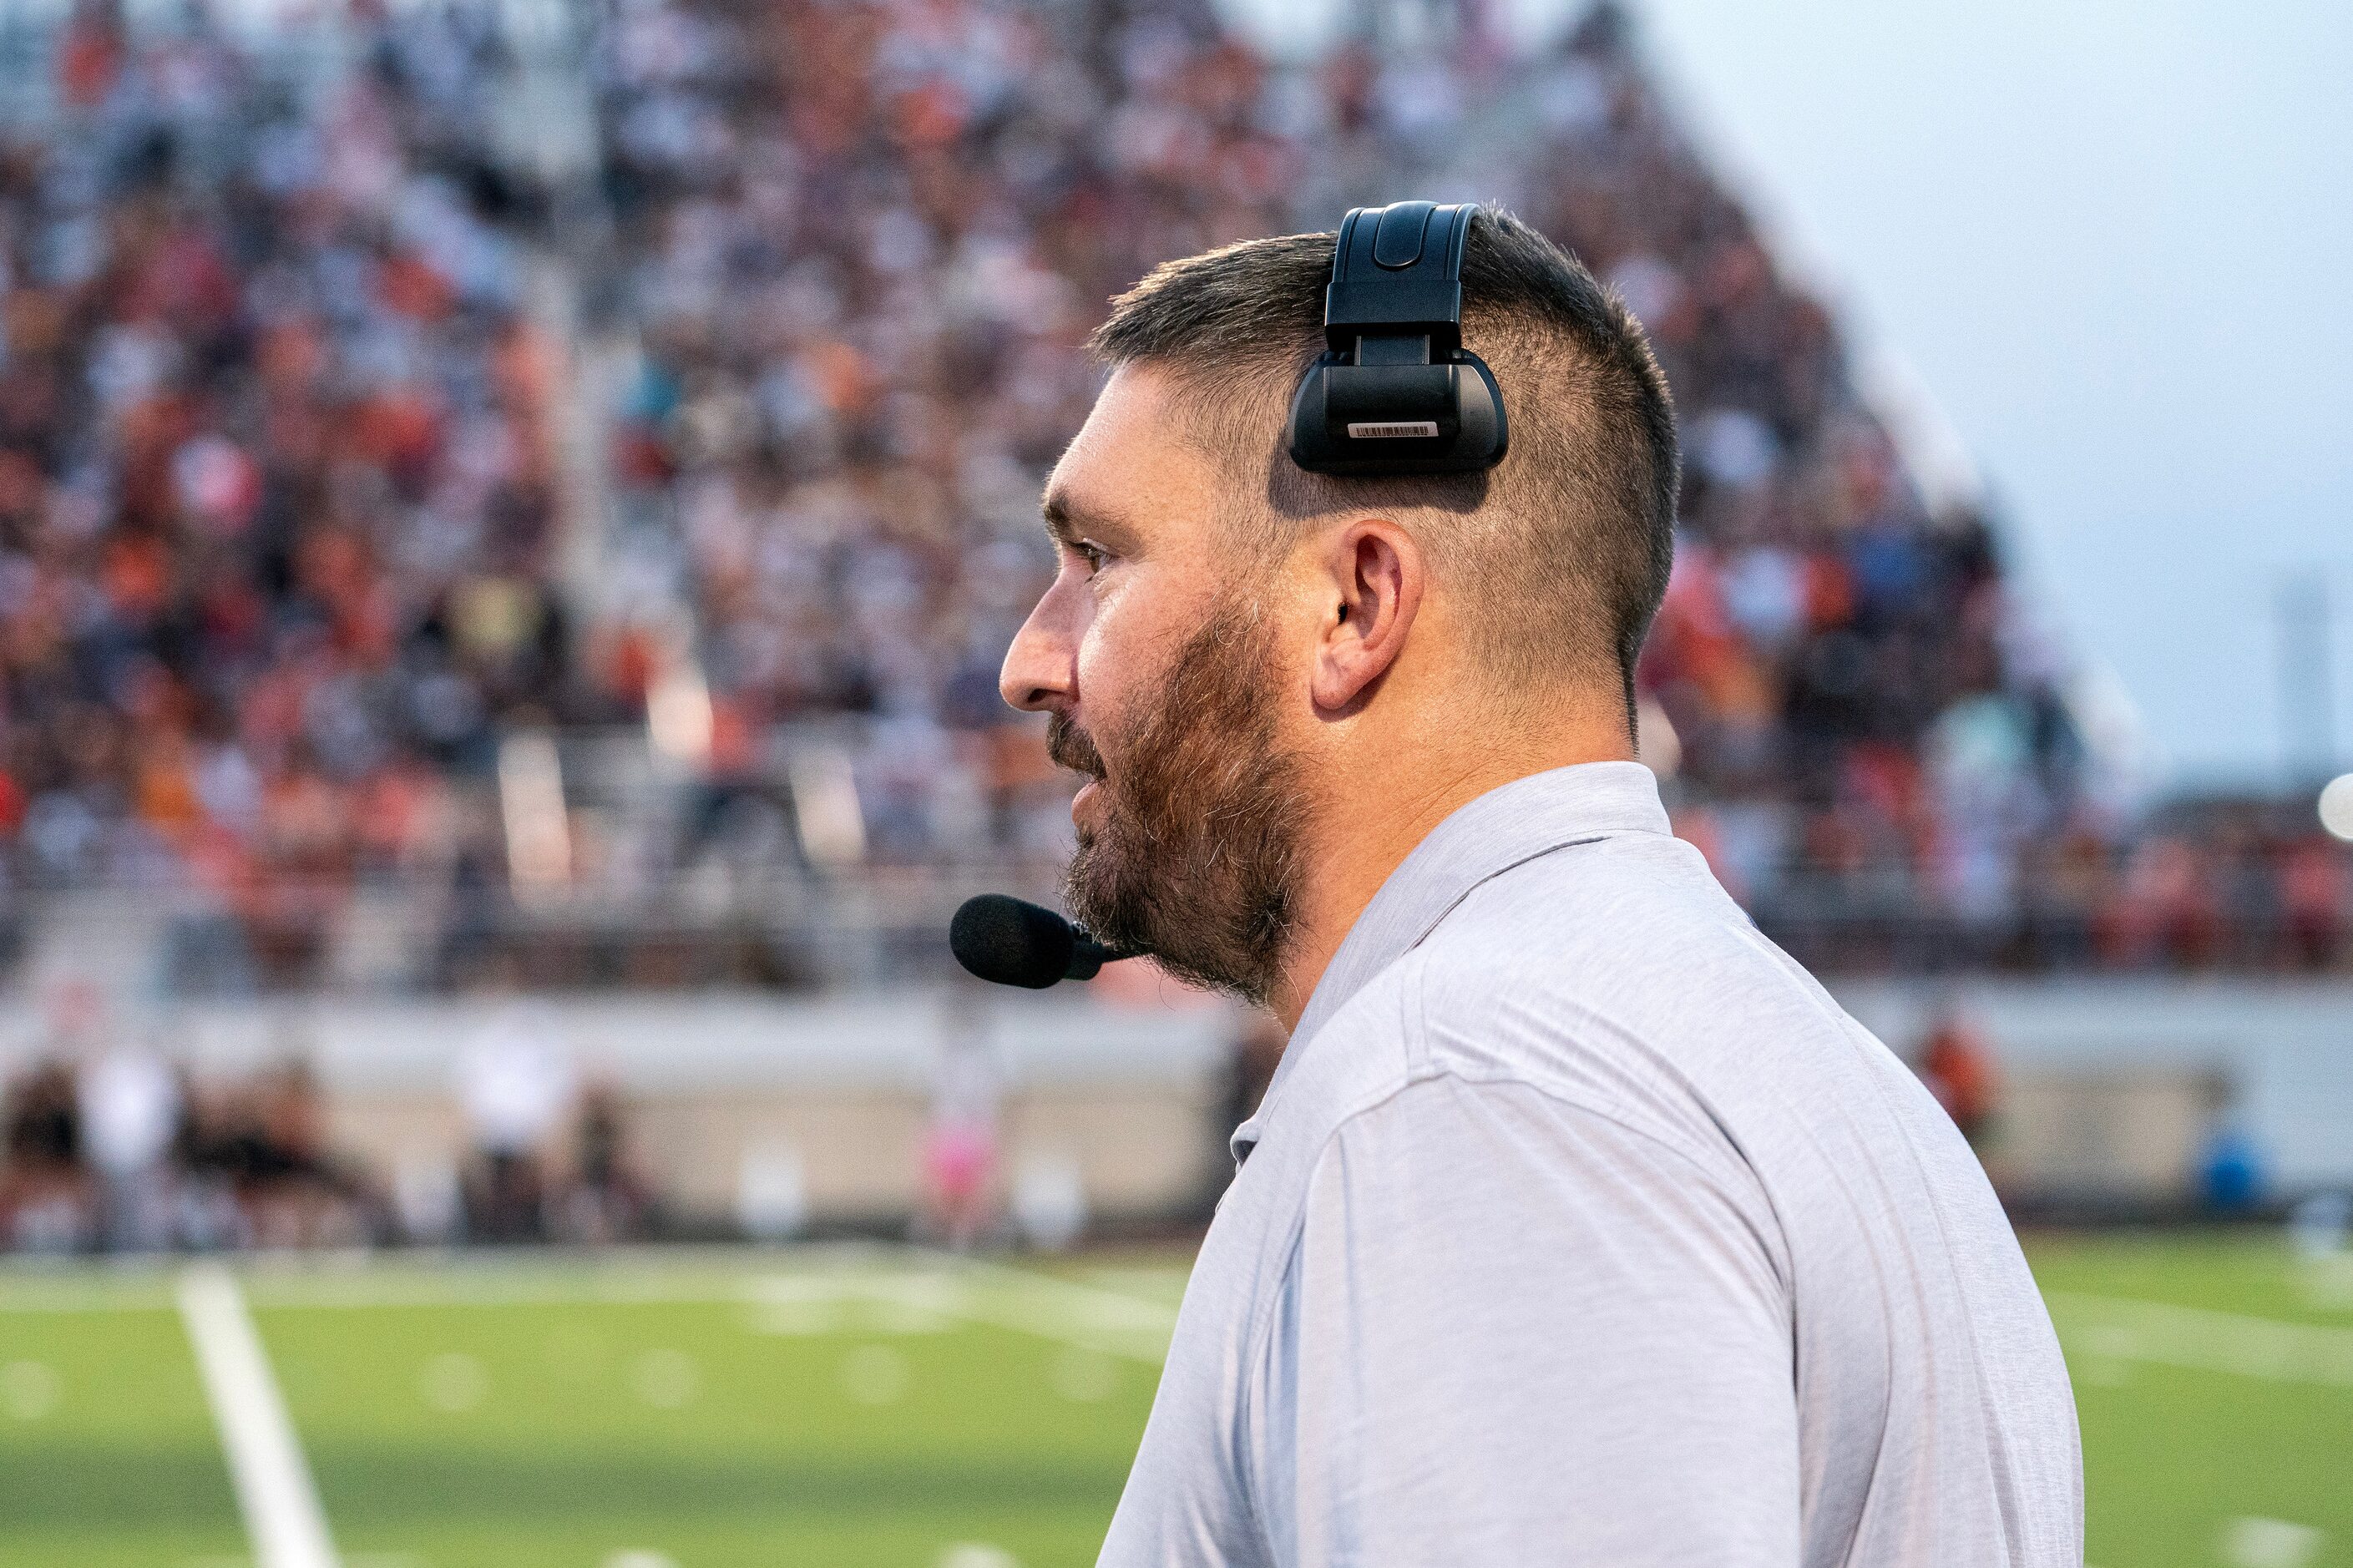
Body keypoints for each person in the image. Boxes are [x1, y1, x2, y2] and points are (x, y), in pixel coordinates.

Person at [997, 209, 2081, 1565]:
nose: (1029, 662)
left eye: (1096, 560)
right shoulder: (1733, 1042)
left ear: (1353, 606)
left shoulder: (1475, 1088)